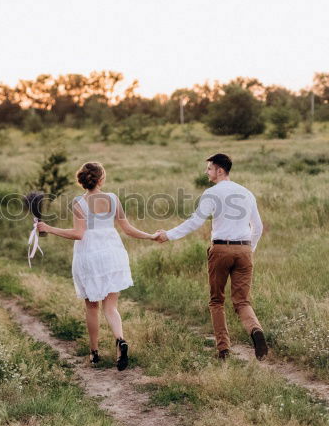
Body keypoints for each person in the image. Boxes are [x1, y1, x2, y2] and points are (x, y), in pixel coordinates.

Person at [37, 162, 158, 370]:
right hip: (112, 253)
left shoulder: (78, 203)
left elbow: (78, 234)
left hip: (89, 255)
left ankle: (94, 353)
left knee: (92, 306)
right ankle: (120, 339)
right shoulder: (112, 198)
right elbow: (127, 229)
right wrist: (151, 236)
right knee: (111, 306)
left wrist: (48, 228)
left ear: (82, 180)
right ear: (101, 179)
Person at [155, 153, 268, 361]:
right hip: (244, 250)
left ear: (220, 170)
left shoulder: (211, 194)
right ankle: (255, 330)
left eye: (209, 168)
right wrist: (248, 251)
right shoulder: (246, 193)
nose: (206, 172)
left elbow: (195, 222)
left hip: (221, 250)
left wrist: (167, 235)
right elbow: (258, 227)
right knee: (242, 301)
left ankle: (223, 349)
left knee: (217, 300)